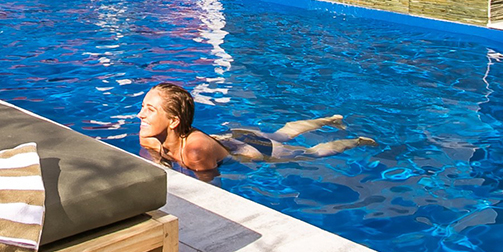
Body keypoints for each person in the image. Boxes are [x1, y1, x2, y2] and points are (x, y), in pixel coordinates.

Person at [137, 82, 375, 179]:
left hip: (252, 150)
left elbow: (211, 193)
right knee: (281, 133)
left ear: (173, 121)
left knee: (307, 154)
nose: (141, 115)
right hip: (233, 139)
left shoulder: (195, 151)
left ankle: (356, 141)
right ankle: (330, 119)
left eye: (150, 109)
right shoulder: (149, 137)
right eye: (142, 107)